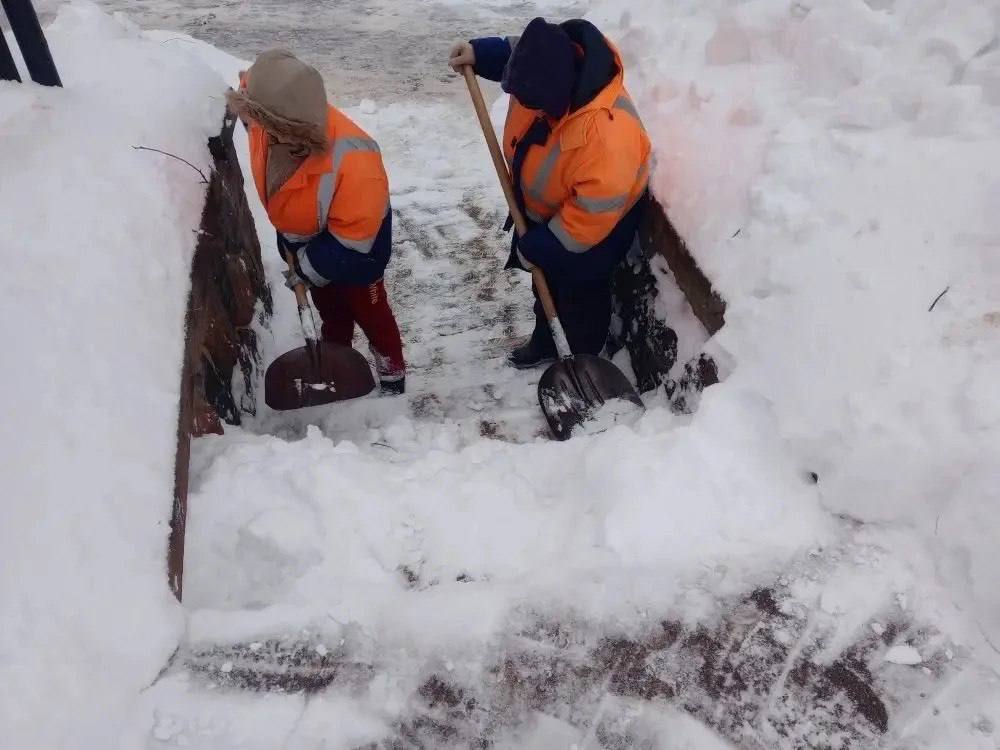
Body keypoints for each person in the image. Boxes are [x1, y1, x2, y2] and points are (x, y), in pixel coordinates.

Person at [450, 18, 651, 369]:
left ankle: (583, 357)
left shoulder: (608, 135)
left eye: (535, 103)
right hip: (549, 207)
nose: (527, 107)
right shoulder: (549, 65)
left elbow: (589, 217)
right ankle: (546, 341)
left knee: (580, 290)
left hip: (599, 223)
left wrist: (542, 247)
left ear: (558, 96)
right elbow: (521, 53)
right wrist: (481, 54)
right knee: (544, 283)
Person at [227, 50, 406, 394]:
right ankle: (335, 362)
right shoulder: (264, 116)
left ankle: (392, 372)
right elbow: (261, 80)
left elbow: (354, 238)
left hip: (358, 249)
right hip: (305, 237)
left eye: (269, 127)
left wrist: (308, 269)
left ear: (290, 127)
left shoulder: (356, 159)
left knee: (370, 311)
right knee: (330, 308)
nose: (260, 131)